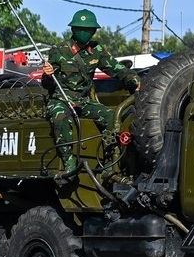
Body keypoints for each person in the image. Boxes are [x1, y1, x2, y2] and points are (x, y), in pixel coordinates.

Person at [42, 9, 140, 180]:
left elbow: (116, 69)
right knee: (60, 118)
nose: (83, 33)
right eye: (80, 29)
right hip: (61, 99)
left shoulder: (97, 50)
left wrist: (136, 81)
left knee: (111, 118)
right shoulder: (59, 50)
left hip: (83, 100)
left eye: (88, 30)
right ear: (73, 30)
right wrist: (47, 74)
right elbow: (47, 85)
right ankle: (68, 162)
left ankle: (109, 161)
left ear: (93, 32)